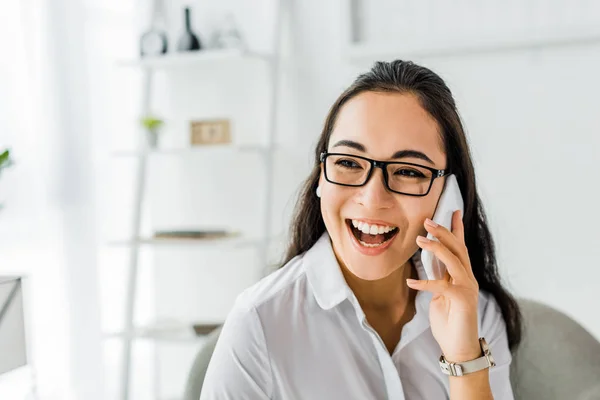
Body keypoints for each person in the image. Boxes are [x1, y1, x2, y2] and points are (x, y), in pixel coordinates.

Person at [200, 60, 522, 399]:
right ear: (321, 177)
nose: (372, 199)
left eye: (409, 171)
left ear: (447, 195)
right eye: (348, 163)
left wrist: (464, 359)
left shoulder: (476, 313)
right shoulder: (260, 322)